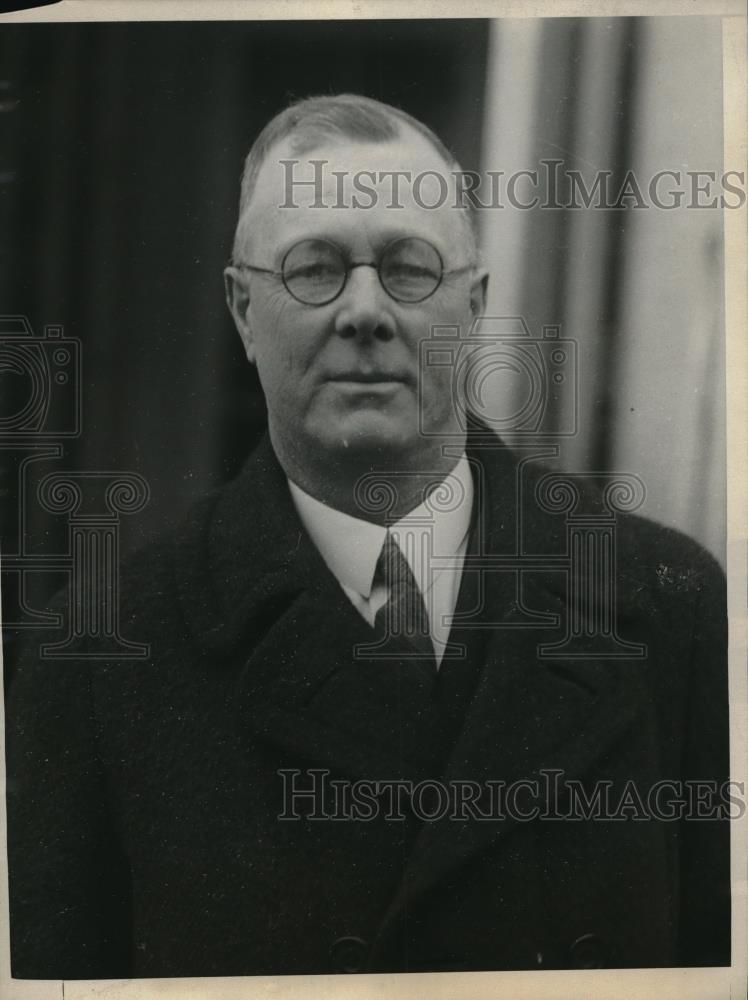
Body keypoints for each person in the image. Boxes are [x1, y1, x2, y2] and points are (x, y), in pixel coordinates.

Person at [6, 94, 730, 978]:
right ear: (241, 309)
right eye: (314, 269)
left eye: (409, 267)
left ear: (475, 303)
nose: (364, 311)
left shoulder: (665, 605)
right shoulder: (94, 661)